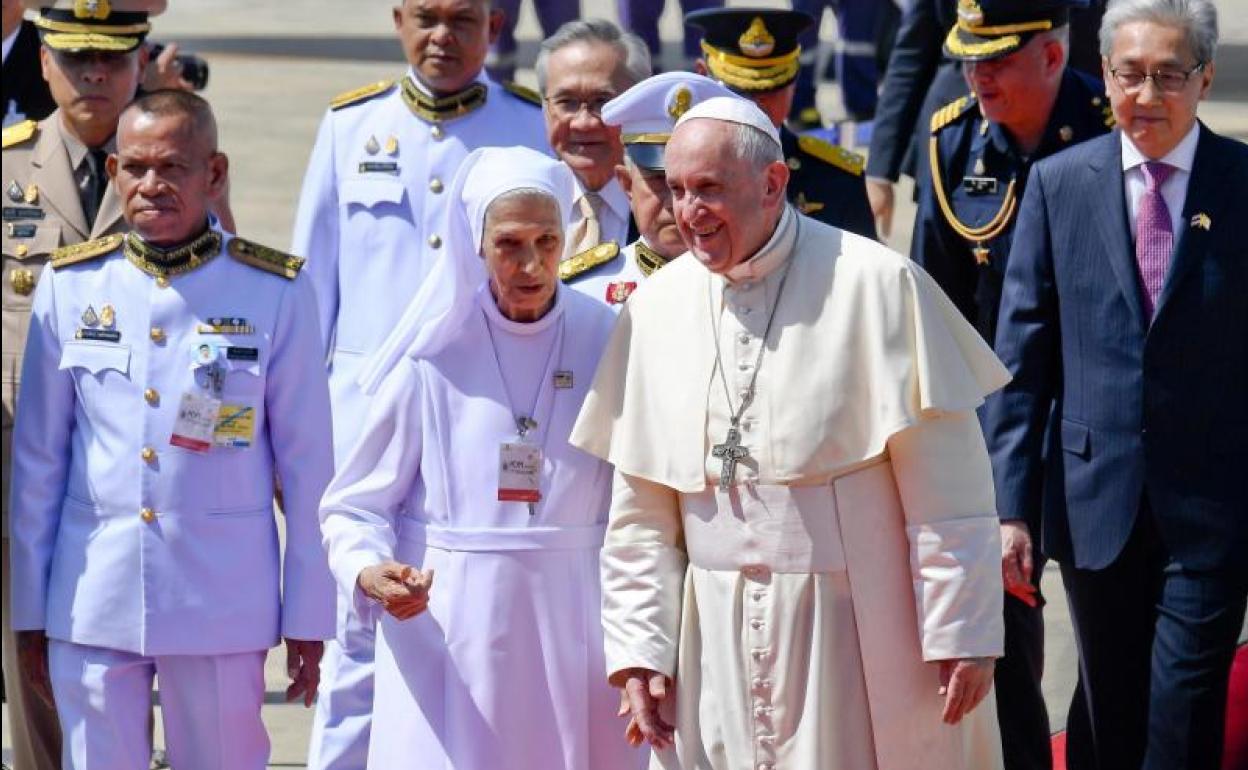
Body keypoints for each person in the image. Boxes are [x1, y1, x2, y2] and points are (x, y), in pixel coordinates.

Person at [571, 95, 1009, 770]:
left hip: (855, 630)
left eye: (710, 190)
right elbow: (640, 520)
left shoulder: (876, 284)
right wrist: (639, 652)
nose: (688, 213)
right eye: (677, 190)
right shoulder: (655, 310)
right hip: (711, 632)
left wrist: (962, 630)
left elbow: (949, 491)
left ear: (773, 183)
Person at [9, 89, 335, 770]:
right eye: (133, 168)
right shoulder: (73, 287)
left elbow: (309, 470)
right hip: (93, 595)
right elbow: (39, 466)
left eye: (171, 168)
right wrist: (30, 614)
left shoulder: (271, 289)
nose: (150, 185)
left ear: (214, 174)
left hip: (219, 600)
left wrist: (309, 616)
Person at [985, 1, 1246, 768]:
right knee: (1110, 712)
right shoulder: (1059, 185)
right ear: (1106, 76)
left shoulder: (1239, 185)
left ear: (1205, 79)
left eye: (1169, 75)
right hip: (1095, 504)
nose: (1148, 94)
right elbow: (1022, 358)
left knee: (1183, 718)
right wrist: (1011, 510)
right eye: (1131, 75)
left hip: (1213, 511)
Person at [321, 146, 641, 770]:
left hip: (577, 626)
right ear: (476, 243)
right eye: (510, 243)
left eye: (548, 241)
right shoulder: (432, 353)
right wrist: (370, 571)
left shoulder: (607, 335)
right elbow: (353, 506)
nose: (532, 264)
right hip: (449, 626)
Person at [289, 0, 548, 764]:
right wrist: (301, 444)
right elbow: (313, 300)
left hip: (473, 421)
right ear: (398, 18)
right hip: (362, 422)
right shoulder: (350, 126)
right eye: (427, 17)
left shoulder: (525, 127)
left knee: (452, 628)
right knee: (351, 637)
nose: (443, 37)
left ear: (496, 27)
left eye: (463, 19)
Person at [910, 4, 1112, 769]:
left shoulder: (1109, 129)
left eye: (996, 59)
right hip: (995, 427)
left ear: (1054, 57)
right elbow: (934, 306)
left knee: (1107, 636)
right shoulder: (953, 141)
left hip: (1099, 416)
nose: (977, 76)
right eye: (968, 59)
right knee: (1000, 626)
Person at [1, 4, 155, 768]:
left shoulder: (170, 161)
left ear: (140, 60)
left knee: (129, 655)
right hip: (17, 453)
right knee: (27, 656)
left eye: (112, 58)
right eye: (75, 57)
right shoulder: (5, 163)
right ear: (42, 63)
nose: (94, 74)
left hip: (135, 459)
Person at [866, 0, 1107, 239]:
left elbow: (1097, 45)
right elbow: (914, 51)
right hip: (965, 147)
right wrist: (880, 171)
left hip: (1069, 123)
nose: (979, 73)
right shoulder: (951, 140)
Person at [685, 7, 877, 239]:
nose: (756, 103)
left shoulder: (838, 181)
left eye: (772, 89)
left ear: (794, 82)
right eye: (739, 90)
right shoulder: (670, 174)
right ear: (702, 74)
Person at [564, 71, 734, 307]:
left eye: (702, 184)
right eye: (659, 181)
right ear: (626, 185)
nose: (678, 203)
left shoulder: (754, 286)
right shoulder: (583, 294)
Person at [535, 19, 650, 264]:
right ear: (545, 108)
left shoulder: (666, 205)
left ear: (639, 104)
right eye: (567, 102)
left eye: (602, 101)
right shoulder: (523, 202)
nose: (583, 122)